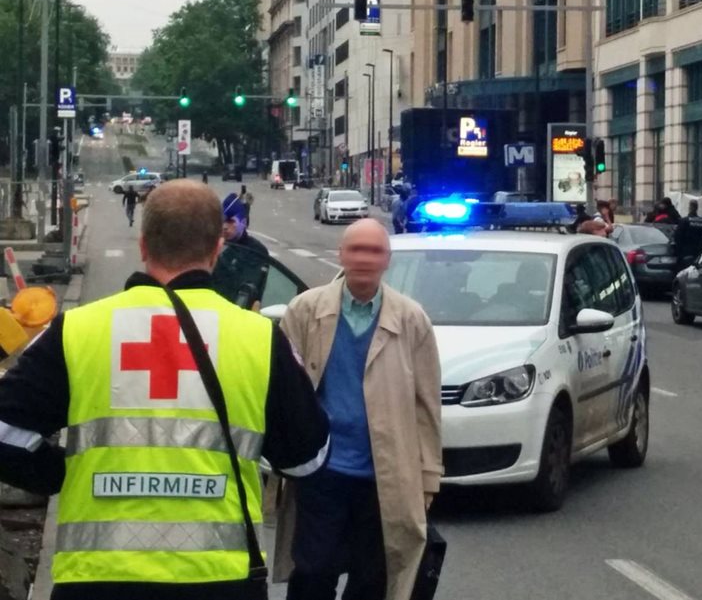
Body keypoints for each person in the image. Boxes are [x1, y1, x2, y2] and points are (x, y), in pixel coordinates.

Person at [0, 180, 330, 600]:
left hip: (97, 578)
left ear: (143, 245)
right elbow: (309, 458)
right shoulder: (258, 337)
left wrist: (57, 472)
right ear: (216, 249)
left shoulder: (78, 330)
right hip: (218, 578)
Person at [275, 219, 443, 600]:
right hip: (321, 470)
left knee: (373, 578)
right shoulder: (305, 310)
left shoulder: (411, 319)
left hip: (382, 474)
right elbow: (284, 392)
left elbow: (426, 406)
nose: (364, 259)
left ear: (387, 260)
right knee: (314, 572)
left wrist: (428, 476)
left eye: (374, 251)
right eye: (356, 250)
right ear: (341, 255)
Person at [674, 200, 702, 269]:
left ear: (690, 207)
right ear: (697, 208)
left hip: (685, 251)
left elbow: (677, 236)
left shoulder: (684, 220)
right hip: (698, 251)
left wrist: (678, 250)